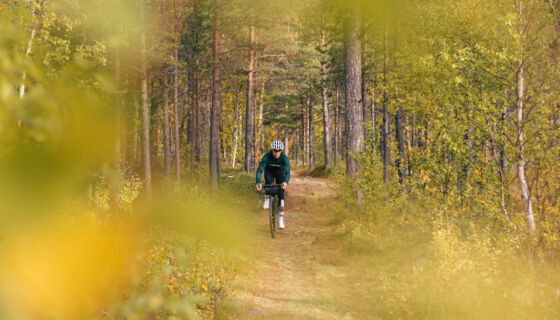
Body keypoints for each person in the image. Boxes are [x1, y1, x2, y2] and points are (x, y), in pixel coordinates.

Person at [256, 140, 290, 229]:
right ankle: (267, 198)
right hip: (269, 171)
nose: (276, 153)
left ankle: (281, 219)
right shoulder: (267, 156)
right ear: (271, 150)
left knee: (281, 195)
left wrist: (285, 182)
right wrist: (258, 182)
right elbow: (259, 170)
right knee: (268, 182)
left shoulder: (284, 158)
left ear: (281, 151)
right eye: (274, 151)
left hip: (280, 172)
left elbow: (287, 173)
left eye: (278, 151)